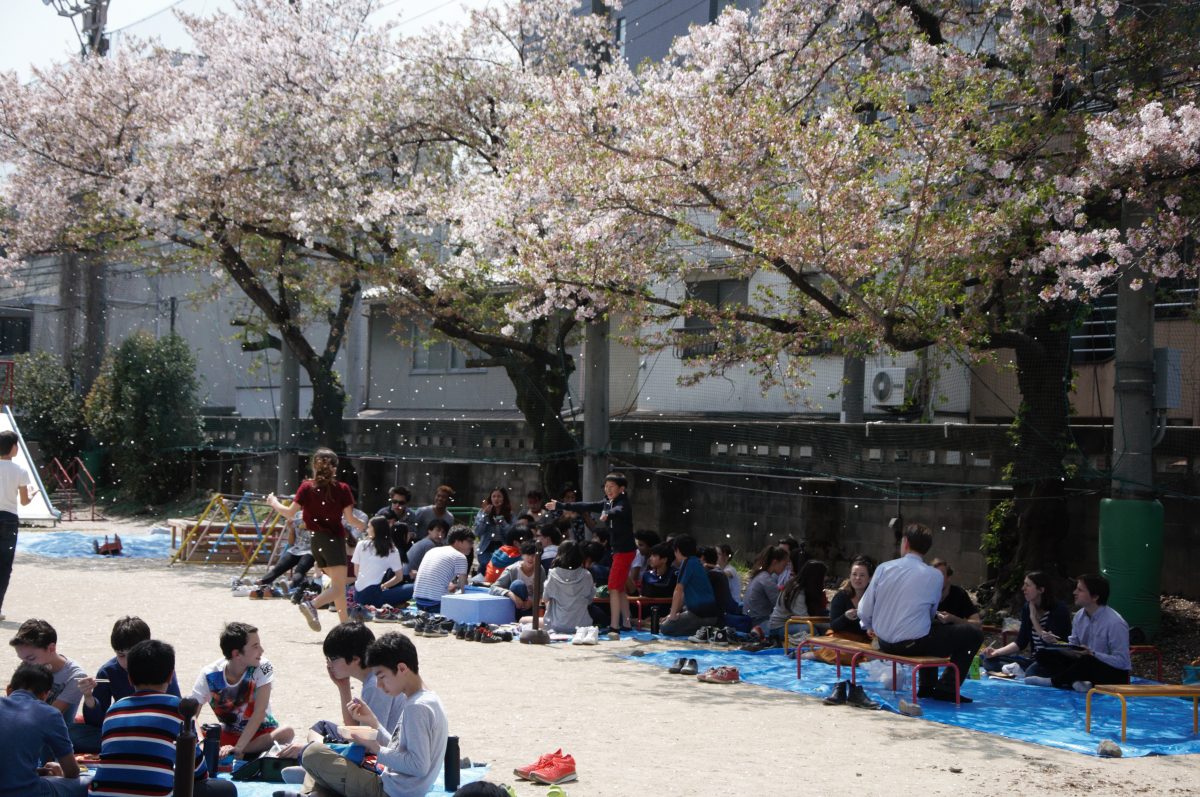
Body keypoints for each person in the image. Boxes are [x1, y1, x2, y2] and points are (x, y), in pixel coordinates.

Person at [297, 632, 448, 797]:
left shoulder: (417, 707)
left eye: (382, 676)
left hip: (388, 791)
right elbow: (400, 749)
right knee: (321, 765)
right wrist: (373, 722)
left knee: (311, 753)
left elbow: (418, 766)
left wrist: (375, 748)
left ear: (402, 668)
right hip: (392, 786)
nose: (379, 685)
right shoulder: (427, 698)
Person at [88, 639, 234, 797]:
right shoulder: (179, 708)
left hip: (100, 794)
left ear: (130, 678)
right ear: (171, 676)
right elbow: (198, 773)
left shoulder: (113, 710)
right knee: (225, 789)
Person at [857, 523, 982, 703]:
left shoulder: (884, 568)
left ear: (905, 542)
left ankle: (927, 687)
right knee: (974, 634)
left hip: (884, 641)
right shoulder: (935, 575)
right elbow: (930, 614)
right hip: (912, 643)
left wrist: (869, 626)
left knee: (930, 629)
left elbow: (864, 608)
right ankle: (946, 687)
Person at [280, 622, 406, 767]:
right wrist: (343, 687)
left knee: (315, 741)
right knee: (321, 727)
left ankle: (315, 757)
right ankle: (316, 756)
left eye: (333, 658)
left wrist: (310, 749)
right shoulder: (371, 679)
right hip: (373, 748)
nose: (329, 665)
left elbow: (367, 744)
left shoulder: (375, 685)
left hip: (384, 757)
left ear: (355, 659)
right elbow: (354, 727)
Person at [268, 448, 368, 630]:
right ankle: (311, 605)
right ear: (335, 468)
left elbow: (290, 512)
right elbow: (351, 519)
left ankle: (344, 624)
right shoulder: (342, 489)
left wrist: (273, 502)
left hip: (315, 542)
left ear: (314, 466)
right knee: (338, 587)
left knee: (337, 585)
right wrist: (361, 524)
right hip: (334, 541)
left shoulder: (306, 487)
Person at [73, 616, 181, 754]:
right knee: (72, 732)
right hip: (126, 729)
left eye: (132, 655)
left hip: (154, 726)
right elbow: (96, 723)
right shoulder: (108, 671)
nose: (128, 662)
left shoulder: (160, 666)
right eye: (121, 655)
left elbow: (176, 708)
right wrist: (89, 698)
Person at [190, 621, 294, 761]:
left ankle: (236, 752)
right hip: (229, 732)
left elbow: (260, 711)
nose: (262, 650)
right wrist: (201, 743)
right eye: (255, 646)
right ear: (236, 654)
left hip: (260, 734)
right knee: (190, 735)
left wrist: (239, 748)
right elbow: (192, 715)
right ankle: (231, 752)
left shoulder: (263, 666)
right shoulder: (209, 675)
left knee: (287, 732)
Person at [547, 472, 635, 635]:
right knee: (620, 588)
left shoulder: (622, 503)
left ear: (622, 489)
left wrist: (608, 514)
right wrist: (561, 505)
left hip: (624, 551)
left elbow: (618, 511)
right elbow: (585, 505)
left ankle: (615, 626)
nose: (608, 490)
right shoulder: (608, 502)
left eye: (612, 487)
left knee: (613, 587)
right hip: (620, 551)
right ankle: (627, 623)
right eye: (606, 487)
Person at [1026, 574, 1131, 691]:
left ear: (1095, 597)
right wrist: (1057, 643)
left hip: (1111, 672)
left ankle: (1054, 681)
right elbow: (1073, 648)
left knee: (1087, 661)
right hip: (1084, 664)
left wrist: (1093, 654)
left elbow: (1122, 662)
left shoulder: (1115, 622)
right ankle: (1077, 681)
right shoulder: (1079, 616)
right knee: (1043, 654)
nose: (1074, 592)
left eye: (1080, 590)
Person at [0, 662, 86, 797]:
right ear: (45, 695)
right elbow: (72, 772)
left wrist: (39, 771)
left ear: (9, 690)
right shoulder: (49, 713)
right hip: (24, 792)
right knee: (86, 782)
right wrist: (59, 773)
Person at [981, 570, 1072, 675]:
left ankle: (1022, 672)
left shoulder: (1059, 610)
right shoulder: (1027, 607)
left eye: (1027, 585)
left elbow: (1051, 643)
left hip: (1053, 661)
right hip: (1033, 660)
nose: (1023, 589)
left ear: (1041, 589)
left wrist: (1033, 619)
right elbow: (1020, 643)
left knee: (1032, 670)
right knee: (989, 662)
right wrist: (996, 652)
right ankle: (1020, 671)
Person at [8, 618, 87, 723]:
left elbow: (49, 716)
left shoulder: (75, 676)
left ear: (51, 648)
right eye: (22, 660)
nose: (26, 664)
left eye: (31, 658)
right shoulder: (27, 666)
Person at [0, 429, 36, 622]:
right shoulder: (20, 471)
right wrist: (32, 494)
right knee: (4, 566)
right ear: (13, 448)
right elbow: (24, 501)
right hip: (8, 519)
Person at [660, 534, 720, 637]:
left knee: (665, 628)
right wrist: (673, 613)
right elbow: (683, 594)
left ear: (678, 550)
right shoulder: (697, 562)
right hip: (711, 615)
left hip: (698, 615)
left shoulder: (687, 563)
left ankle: (703, 632)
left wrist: (672, 616)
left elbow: (678, 590)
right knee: (673, 620)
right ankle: (704, 630)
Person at [353, 517, 413, 609]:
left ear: (375, 529)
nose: (367, 530)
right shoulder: (392, 550)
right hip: (375, 596)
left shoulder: (361, 544)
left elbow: (356, 573)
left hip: (358, 596)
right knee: (413, 587)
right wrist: (384, 586)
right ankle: (393, 604)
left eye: (369, 527)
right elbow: (399, 577)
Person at [411, 526, 474, 613]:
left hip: (419, 603)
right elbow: (463, 589)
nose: (472, 545)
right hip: (437, 604)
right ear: (458, 541)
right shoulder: (460, 557)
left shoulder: (433, 550)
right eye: (470, 541)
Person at [540, 541, 595, 634]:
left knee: (522, 620)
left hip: (557, 626)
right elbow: (590, 599)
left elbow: (545, 598)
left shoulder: (553, 574)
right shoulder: (587, 575)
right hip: (582, 626)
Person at [766, 559, 828, 639]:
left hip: (796, 623)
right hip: (780, 627)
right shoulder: (796, 591)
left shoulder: (809, 591)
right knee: (811, 630)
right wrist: (830, 624)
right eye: (823, 576)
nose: (826, 578)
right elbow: (805, 618)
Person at [256, 517, 316, 594]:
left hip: (313, 550)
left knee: (300, 570)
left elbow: (321, 538)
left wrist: (311, 528)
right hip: (297, 549)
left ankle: (291, 585)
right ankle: (263, 582)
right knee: (279, 567)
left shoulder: (318, 517)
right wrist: (291, 529)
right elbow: (291, 542)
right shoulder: (298, 516)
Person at [489, 542, 545, 613]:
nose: (531, 558)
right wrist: (511, 595)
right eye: (528, 555)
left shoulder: (540, 569)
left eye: (534, 556)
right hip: (515, 606)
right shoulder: (512, 569)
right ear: (522, 555)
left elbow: (542, 592)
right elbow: (493, 588)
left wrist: (532, 602)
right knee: (518, 584)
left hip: (532, 608)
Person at [743, 546, 789, 628]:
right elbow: (780, 606)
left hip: (753, 620)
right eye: (784, 565)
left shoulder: (760, 575)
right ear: (775, 562)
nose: (785, 568)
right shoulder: (766, 579)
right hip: (759, 622)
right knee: (807, 628)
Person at [930, 559, 983, 628]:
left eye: (940, 575)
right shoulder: (926, 594)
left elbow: (977, 623)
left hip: (953, 634)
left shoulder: (959, 594)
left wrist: (954, 619)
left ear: (948, 577)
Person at [473, 488, 513, 570]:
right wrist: (485, 516)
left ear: (504, 499)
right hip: (486, 546)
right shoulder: (483, 512)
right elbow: (477, 532)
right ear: (490, 498)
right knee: (486, 564)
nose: (496, 499)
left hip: (502, 546)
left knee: (501, 563)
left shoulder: (509, 514)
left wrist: (503, 523)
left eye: (499, 496)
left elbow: (511, 534)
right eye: (493, 496)